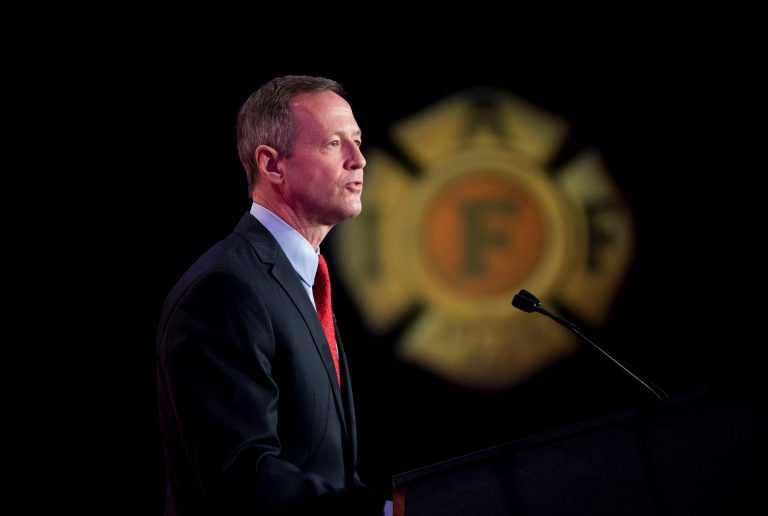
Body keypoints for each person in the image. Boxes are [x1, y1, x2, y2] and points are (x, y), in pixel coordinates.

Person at [156, 75, 385, 515]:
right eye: (334, 144)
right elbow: (242, 475)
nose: (358, 160)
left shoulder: (301, 279)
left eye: (357, 141)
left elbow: (326, 467)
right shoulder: (225, 291)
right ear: (272, 165)